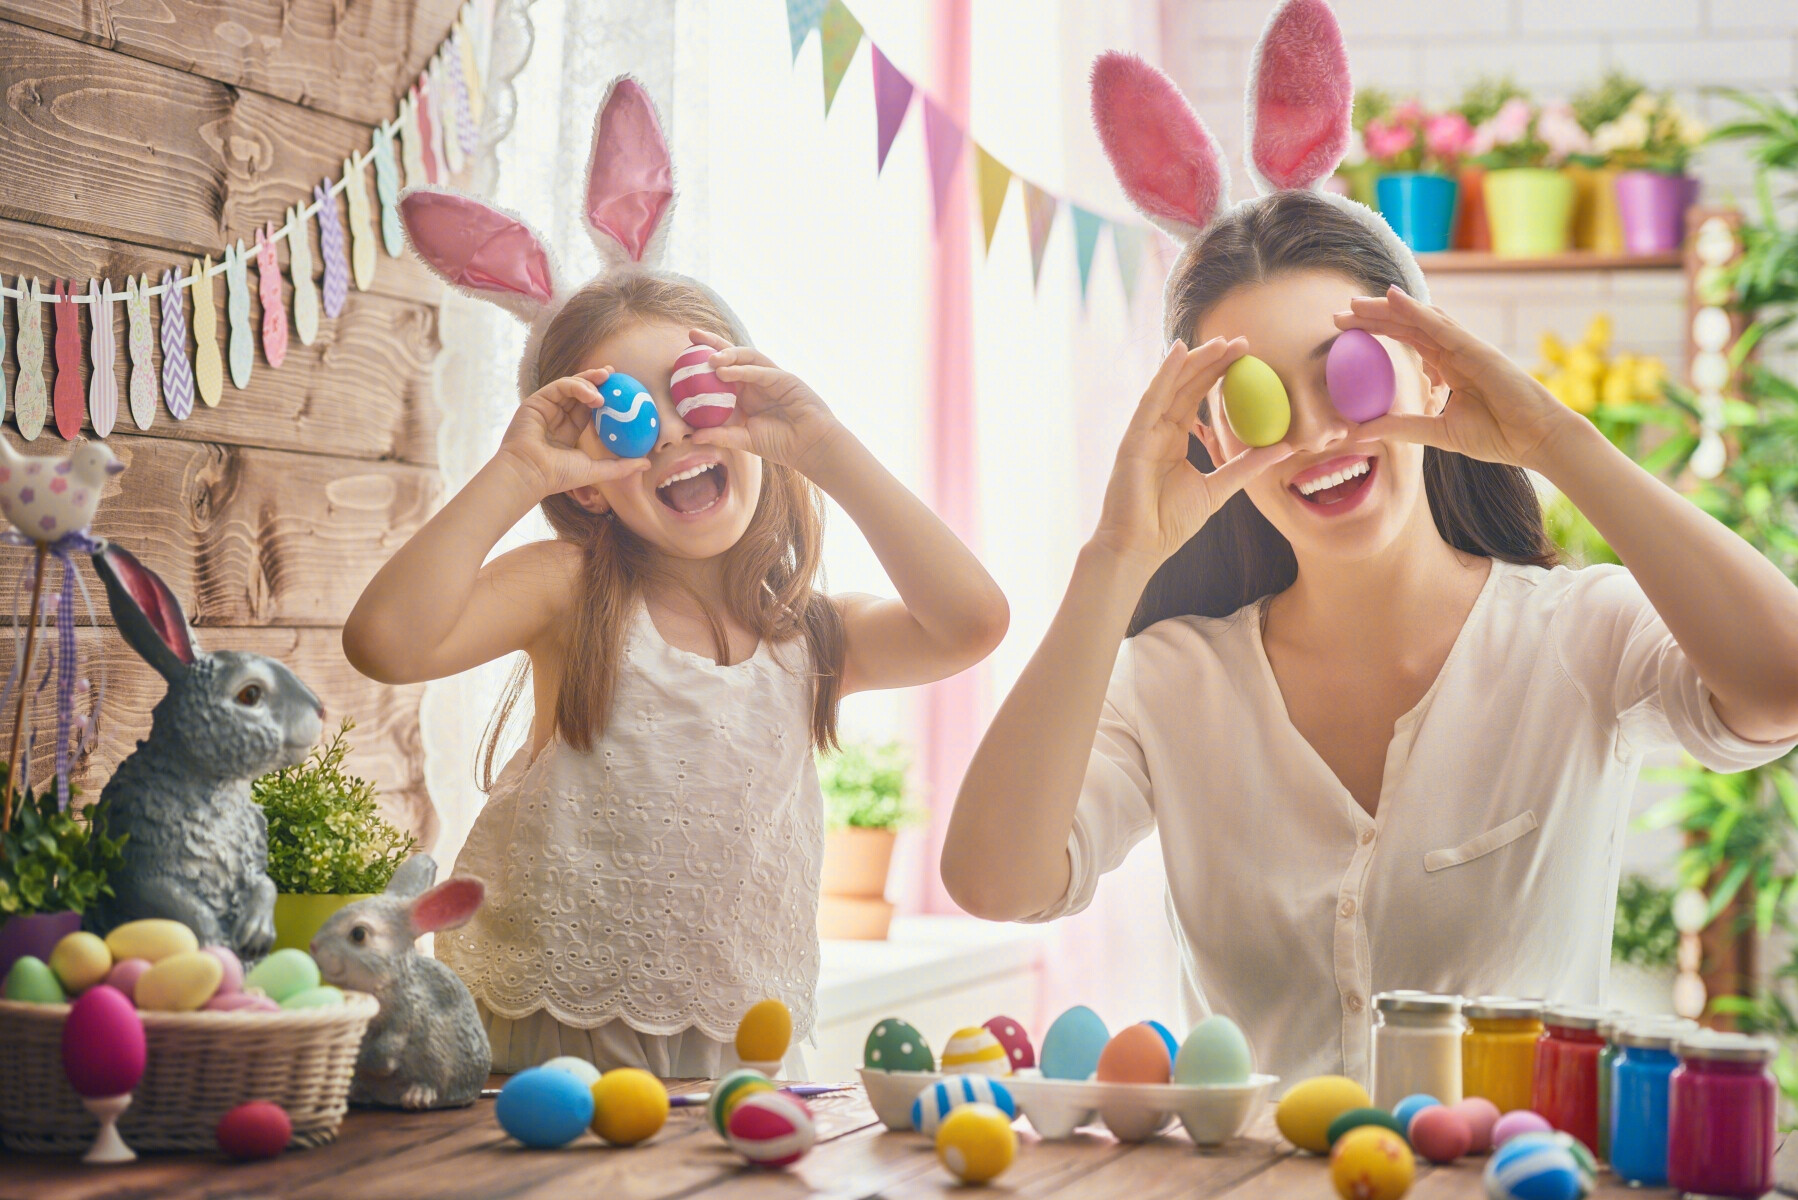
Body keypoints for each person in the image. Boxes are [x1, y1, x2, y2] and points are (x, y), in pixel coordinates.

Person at [941, 12, 1798, 1087]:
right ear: (1210, 435)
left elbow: (1780, 685)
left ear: (1429, 367)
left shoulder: (1578, 633)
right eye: (1258, 400)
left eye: (1344, 371)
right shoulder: (1169, 682)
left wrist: (1555, 441)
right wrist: (1114, 556)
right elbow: (996, 881)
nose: (1313, 435)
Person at [345, 79, 1007, 1077]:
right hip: (548, 1048)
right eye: (631, 417)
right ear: (591, 483)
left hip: (738, 1063)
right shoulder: (570, 590)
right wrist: (515, 473)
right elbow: (385, 642)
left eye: (695, 399)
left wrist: (823, 444)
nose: (670, 437)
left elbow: (972, 621)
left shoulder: (810, 638)